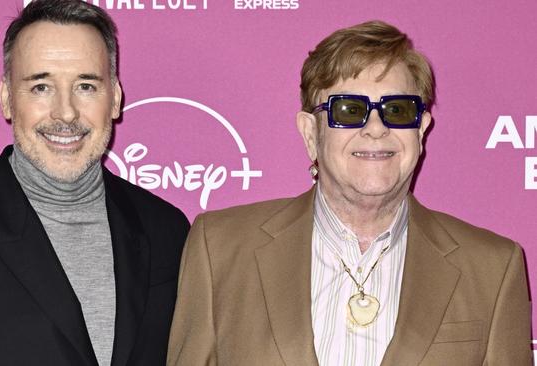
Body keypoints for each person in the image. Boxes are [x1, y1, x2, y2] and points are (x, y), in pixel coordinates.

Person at [167, 20, 531, 365]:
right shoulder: (221, 249)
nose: (375, 128)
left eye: (397, 110)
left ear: (421, 130)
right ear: (311, 133)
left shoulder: (492, 269)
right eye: (350, 110)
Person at [0, 0, 190, 365]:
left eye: (86, 86)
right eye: (41, 87)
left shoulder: (168, 231)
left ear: (115, 98)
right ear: (7, 98)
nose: (65, 112)